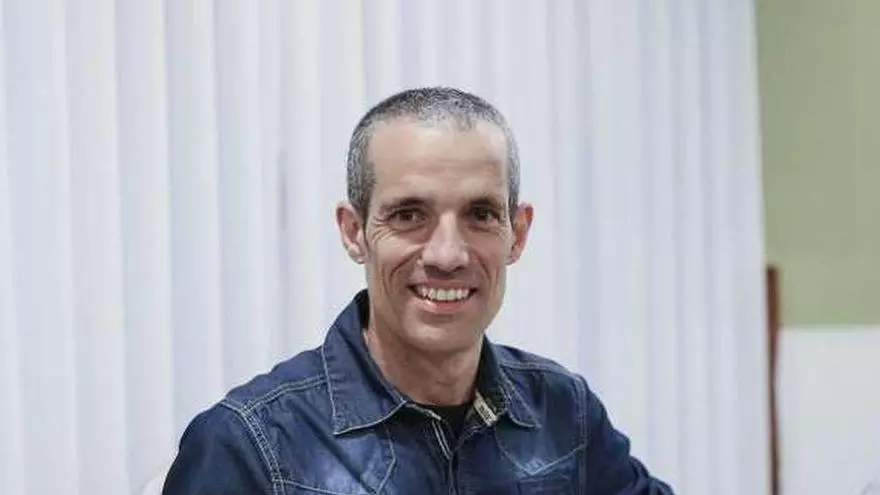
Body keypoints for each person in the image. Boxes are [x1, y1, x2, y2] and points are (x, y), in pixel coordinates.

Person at [163, 87, 673, 494]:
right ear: (354, 232)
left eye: (480, 214)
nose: (448, 255)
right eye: (409, 215)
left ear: (517, 234)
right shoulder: (248, 445)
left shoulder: (565, 415)